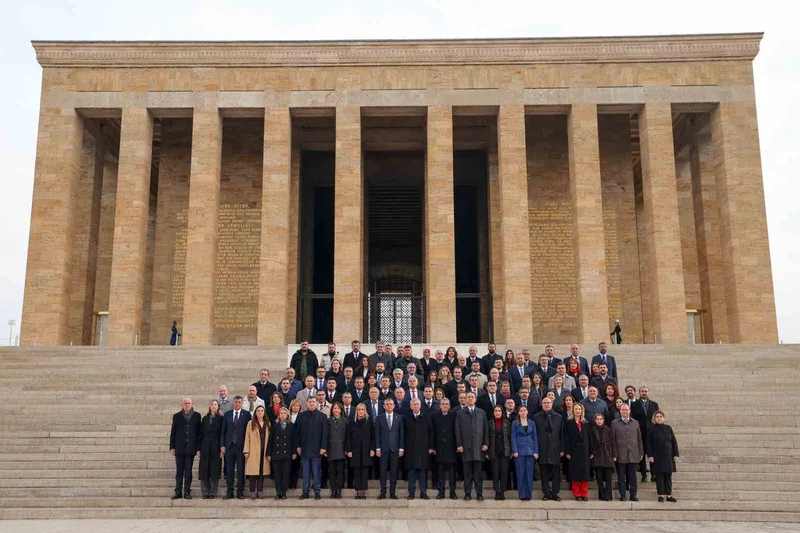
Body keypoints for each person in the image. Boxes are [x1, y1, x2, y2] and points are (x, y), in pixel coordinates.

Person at [455, 391, 489, 501]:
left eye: (472, 397)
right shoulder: (460, 413)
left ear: (475, 399)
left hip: (479, 447)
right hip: (466, 447)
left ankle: (479, 493)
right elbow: (457, 430)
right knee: (467, 473)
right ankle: (467, 493)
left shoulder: (481, 412)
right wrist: (459, 444)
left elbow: (485, 429)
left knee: (478, 474)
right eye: (468, 397)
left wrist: (485, 443)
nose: (470, 399)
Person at [532, 397, 566, 501]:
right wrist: (535, 449)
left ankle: (555, 492)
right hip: (542, 447)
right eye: (544, 403)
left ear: (552, 403)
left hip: (555, 447)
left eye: (548, 402)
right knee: (544, 471)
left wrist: (562, 449)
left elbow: (562, 434)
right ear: (541, 404)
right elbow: (534, 434)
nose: (546, 404)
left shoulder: (559, 417)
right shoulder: (537, 417)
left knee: (556, 471)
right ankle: (546, 492)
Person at [295, 397, 328, 500]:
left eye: (314, 402)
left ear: (317, 403)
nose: (312, 403)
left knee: (316, 471)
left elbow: (325, 434)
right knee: (305, 472)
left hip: (317, 449)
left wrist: (323, 447)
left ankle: (317, 492)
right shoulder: (301, 416)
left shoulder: (322, 416)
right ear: (307, 403)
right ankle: (305, 492)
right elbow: (297, 433)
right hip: (304, 449)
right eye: (310, 402)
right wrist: (298, 446)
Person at [169, 397, 202, 500]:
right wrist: (172, 446)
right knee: (179, 471)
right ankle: (178, 491)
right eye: (185, 403)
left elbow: (199, 433)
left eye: (189, 403)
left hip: (190, 448)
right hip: (179, 448)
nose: (187, 405)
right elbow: (173, 433)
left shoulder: (197, 416)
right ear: (182, 405)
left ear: (192, 404)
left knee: (188, 471)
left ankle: (187, 491)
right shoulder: (177, 416)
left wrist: (198, 448)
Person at [611, 403, 643, 501]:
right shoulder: (615, 423)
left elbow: (639, 439)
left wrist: (641, 452)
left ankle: (633, 495)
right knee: (621, 477)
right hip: (621, 454)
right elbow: (613, 440)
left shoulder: (635, 422)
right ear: (620, 411)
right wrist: (615, 454)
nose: (625, 411)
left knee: (633, 477)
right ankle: (623, 495)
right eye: (623, 410)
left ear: (629, 411)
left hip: (633, 453)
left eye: (626, 410)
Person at [221, 396, 251, 499]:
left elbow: (248, 432)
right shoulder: (227, 414)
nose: (237, 404)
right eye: (236, 402)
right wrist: (222, 445)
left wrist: (248, 447)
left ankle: (240, 491)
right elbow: (223, 431)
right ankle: (229, 491)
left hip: (241, 447)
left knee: (240, 470)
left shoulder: (246, 415)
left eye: (239, 402)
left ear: (242, 403)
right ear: (233, 403)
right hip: (229, 447)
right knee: (229, 470)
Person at [404, 399, 433, 500]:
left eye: (417, 404)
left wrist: (431, 447)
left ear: (420, 406)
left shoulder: (426, 417)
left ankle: (423, 492)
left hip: (423, 450)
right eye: (414, 404)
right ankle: (411, 493)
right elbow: (404, 434)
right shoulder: (407, 418)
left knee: (422, 473)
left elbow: (431, 433)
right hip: (410, 450)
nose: (416, 406)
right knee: (411, 473)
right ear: (411, 406)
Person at [375, 397, 404, 499]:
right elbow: (377, 434)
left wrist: (401, 448)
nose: (389, 406)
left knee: (393, 471)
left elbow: (401, 434)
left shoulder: (399, 417)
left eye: (391, 404)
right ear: (383, 406)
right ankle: (382, 492)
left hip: (395, 449)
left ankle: (392, 492)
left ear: (394, 406)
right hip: (383, 449)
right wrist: (377, 448)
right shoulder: (379, 417)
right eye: (387, 404)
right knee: (382, 471)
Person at [648, 410, 679, 502]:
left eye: (660, 416)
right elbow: (648, 443)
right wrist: (650, 455)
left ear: (663, 418)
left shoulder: (668, 428)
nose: (659, 418)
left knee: (668, 477)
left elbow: (674, 441)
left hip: (668, 456)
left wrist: (676, 454)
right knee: (660, 477)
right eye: (657, 417)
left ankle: (669, 495)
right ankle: (660, 495)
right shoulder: (651, 428)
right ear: (654, 419)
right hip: (657, 456)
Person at [631, 386, 660, 482]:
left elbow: (657, 417)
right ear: (639, 392)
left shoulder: (654, 404)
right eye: (642, 391)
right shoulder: (634, 404)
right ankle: (643, 474)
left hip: (652, 432)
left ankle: (654, 474)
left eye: (646, 391)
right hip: (641, 432)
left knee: (652, 453)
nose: (644, 393)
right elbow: (633, 418)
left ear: (648, 392)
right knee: (641, 454)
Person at [431, 398, 458, 499]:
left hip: (451, 448)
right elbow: (432, 433)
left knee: (452, 473)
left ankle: (452, 492)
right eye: (443, 404)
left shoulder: (454, 416)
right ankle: (441, 491)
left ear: (450, 406)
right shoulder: (435, 416)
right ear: (440, 406)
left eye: (447, 404)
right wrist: (433, 447)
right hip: (439, 448)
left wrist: (457, 445)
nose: (445, 406)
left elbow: (457, 432)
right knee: (440, 472)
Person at [267, 406, 296, 500]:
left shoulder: (291, 426)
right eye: (281, 413)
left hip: (287, 453)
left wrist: (294, 452)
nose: (282, 415)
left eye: (284, 413)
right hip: (276, 453)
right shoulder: (274, 426)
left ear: (287, 415)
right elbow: (270, 441)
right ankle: (278, 492)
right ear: (278, 415)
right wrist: (269, 453)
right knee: (277, 475)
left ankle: (284, 492)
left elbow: (294, 440)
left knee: (286, 474)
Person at [510, 405, 538, 501]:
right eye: (521, 410)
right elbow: (513, 437)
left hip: (530, 452)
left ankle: (528, 495)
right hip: (519, 452)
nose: (522, 412)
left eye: (524, 410)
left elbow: (535, 437)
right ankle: (522, 494)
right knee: (521, 473)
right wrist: (515, 450)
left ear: (527, 412)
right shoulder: (515, 423)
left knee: (529, 474)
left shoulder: (532, 423)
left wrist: (536, 451)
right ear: (518, 413)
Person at [347, 403, 374, 499]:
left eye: (362, 409)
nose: (360, 411)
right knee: (357, 471)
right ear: (356, 411)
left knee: (365, 472)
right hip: (355, 450)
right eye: (359, 409)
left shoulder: (369, 421)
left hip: (366, 450)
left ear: (365, 410)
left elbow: (372, 437)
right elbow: (348, 437)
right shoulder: (352, 422)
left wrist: (372, 449)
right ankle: (358, 491)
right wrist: (349, 450)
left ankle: (363, 492)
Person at [565, 403, 592, 501]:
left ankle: (584, 494)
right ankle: (577, 494)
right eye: (575, 409)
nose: (577, 411)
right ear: (573, 410)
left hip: (584, 451)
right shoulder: (569, 423)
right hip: (574, 450)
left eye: (579, 409)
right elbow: (566, 438)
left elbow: (590, 438)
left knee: (584, 473)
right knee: (575, 472)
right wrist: (567, 451)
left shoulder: (586, 423)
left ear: (582, 411)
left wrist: (591, 451)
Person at [243, 405, 270, 499]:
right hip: (253, 451)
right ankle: (252, 491)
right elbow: (247, 437)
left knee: (262, 472)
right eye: (258, 411)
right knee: (253, 472)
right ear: (255, 413)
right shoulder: (251, 423)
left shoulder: (267, 423)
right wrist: (246, 451)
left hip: (264, 451)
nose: (260, 412)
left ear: (264, 412)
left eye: (262, 410)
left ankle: (260, 490)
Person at [199, 400, 223, 499]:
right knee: (204, 469)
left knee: (214, 469)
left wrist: (222, 448)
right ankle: (205, 492)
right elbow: (200, 434)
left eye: (215, 404)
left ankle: (213, 492)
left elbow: (222, 433)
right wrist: (198, 448)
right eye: (212, 404)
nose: (213, 406)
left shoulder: (221, 419)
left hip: (216, 446)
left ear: (218, 407)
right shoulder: (204, 419)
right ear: (209, 407)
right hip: (205, 445)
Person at [487, 405, 512, 500]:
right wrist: (486, 452)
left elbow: (510, 437)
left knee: (504, 472)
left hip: (505, 451)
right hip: (493, 451)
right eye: (496, 411)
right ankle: (496, 492)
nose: (497, 412)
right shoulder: (489, 423)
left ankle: (502, 492)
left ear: (502, 412)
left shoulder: (507, 423)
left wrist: (512, 451)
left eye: (499, 411)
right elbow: (487, 437)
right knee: (495, 472)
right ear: (493, 413)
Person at [589, 413, 615, 501]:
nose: (599, 421)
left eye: (601, 419)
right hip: (597, 457)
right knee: (599, 479)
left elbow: (612, 443)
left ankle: (608, 495)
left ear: (603, 420)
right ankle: (602, 495)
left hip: (607, 456)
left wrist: (614, 455)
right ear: (595, 420)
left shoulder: (608, 430)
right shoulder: (592, 430)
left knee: (608, 479)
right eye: (597, 419)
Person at [327, 402, 348, 499]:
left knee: (340, 471)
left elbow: (348, 437)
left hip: (341, 448)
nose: (336, 410)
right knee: (332, 471)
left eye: (338, 408)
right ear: (332, 410)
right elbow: (325, 436)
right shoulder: (328, 421)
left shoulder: (345, 421)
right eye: (334, 408)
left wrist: (347, 449)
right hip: (331, 448)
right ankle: (333, 490)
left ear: (341, 410)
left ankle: (339, 489)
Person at [288, 399, 302, 489]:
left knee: (296, 465)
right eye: (294, 405)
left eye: (297, 405)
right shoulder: (288, 416)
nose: (295, 407)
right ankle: (288, 482)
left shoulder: (302, 416)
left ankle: (294, 483)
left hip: (297, 443)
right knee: (288, 465)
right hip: (288, 443)